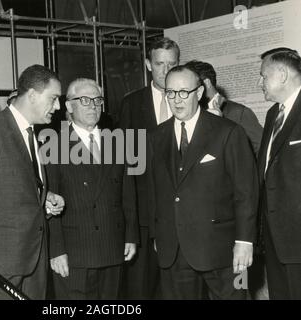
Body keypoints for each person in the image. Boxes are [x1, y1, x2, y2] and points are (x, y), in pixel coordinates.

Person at [147, 65, 258, 299]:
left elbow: (246, 192)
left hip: (226, 251)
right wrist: (158, 234)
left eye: (184, 92)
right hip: (174, 251)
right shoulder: (155, 137)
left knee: (238, 296)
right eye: (170, 93)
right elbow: (154, 191)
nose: (177, 100)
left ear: (199, 93)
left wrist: (245, 241)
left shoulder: (229, 132)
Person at [0, 64, 65, 300]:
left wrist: (44, 199)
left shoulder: (29, 132)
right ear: (33, 95)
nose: (58, 107)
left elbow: (11, 187)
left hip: (32, 260)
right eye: (54, 98)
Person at [47, 78, 139, 299]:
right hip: (74, 253)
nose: (93, 106)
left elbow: (128, 196)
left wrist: (131, 236)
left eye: (98, 100)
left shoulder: (117, 143)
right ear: (69, 106)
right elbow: (49, 203)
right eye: (85, 100)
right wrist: (56, 250)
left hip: (113, 246)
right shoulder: (54, 146)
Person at [117, 37, 180, 299]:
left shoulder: (188, 101)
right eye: (159, 64)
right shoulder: (131, 104)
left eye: (172, 64)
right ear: (147, 64)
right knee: (140, 291)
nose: (166, 71)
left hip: (181, 218)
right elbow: (125, 166)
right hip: (143, 219)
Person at [257, 47, 301, 299]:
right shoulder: (274, 113)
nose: (259, 81)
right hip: (275, 238)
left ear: (282, 74)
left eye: (263, 75)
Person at [185, 60, 263, 155]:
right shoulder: (190, 113)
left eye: (190, 85)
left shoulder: (239, 112)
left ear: (206, 83)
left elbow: (261, 149)